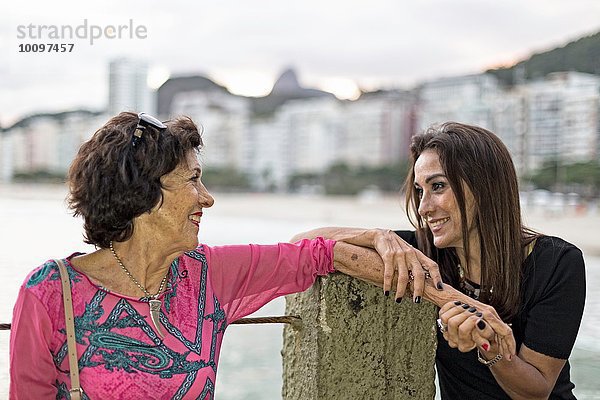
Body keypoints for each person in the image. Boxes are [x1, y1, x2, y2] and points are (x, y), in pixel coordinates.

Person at [9, 112, 441, 399]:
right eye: (193, 180)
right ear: (144, 192)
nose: (207, 198)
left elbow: (316, 256)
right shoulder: (50, 293)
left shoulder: (207, 274)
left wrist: (382, 238)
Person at [295, 122, 586, 399]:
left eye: (438, 187)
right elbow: (301, 243)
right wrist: (374, 236)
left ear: (484, 187)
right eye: (420, 191)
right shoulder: (421, 253)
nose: (423, 208)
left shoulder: (557, 264)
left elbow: (536, 391)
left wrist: (490, 346)